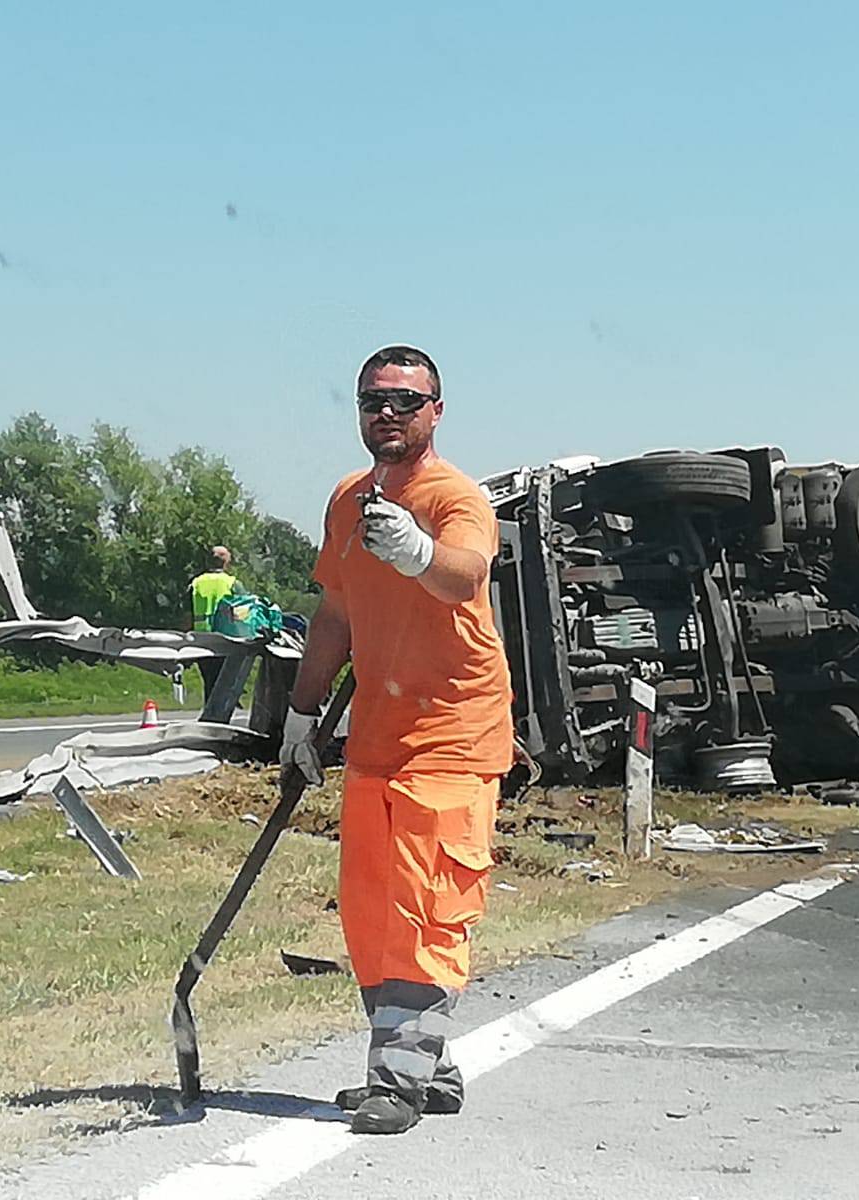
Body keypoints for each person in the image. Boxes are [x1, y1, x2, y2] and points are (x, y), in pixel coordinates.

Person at [281, 344, 514, 1136]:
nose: (387, 412)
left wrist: (416, 552)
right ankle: (429, 1064)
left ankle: (398, 1076)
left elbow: (464, 575)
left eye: (405, 401)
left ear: (435, 413)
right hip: (377, 738)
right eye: (372, 400)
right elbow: (336, 618)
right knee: (373, 913)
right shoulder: (347, 500)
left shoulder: (455, 498)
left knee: (428, 906)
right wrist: (302, 716)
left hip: (453, 735)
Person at [188, 546, 238, 698]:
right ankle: (217, 716)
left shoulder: (196, 583)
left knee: (209, 680)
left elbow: (186, 614)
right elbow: (243, 613)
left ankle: (210, 713)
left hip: (201, 639)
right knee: (223, 682)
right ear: (227, 561)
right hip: (226, 640)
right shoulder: (232, 583)